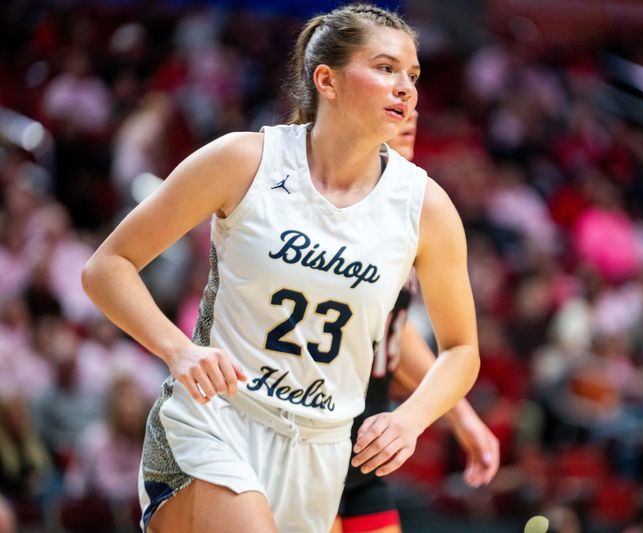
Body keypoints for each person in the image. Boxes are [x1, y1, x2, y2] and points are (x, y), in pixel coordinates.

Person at [81, 4, 480, 533]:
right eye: (385, 68)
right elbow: (107, 266)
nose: (405, 87)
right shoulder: (244, 160)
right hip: (218, 421)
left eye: (412, 75)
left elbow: (462, 350)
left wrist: (411, 419)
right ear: (327, 80)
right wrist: (177, 349)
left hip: (323, 447)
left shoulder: (427, 206)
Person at [332, 111, 500, 533]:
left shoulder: (409, 206)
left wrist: (459, 413)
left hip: (365, 440)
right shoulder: (335, 203)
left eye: (413, 89)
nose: (408, 109)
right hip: (315, 431)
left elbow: (392, 328)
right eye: (388, 77)